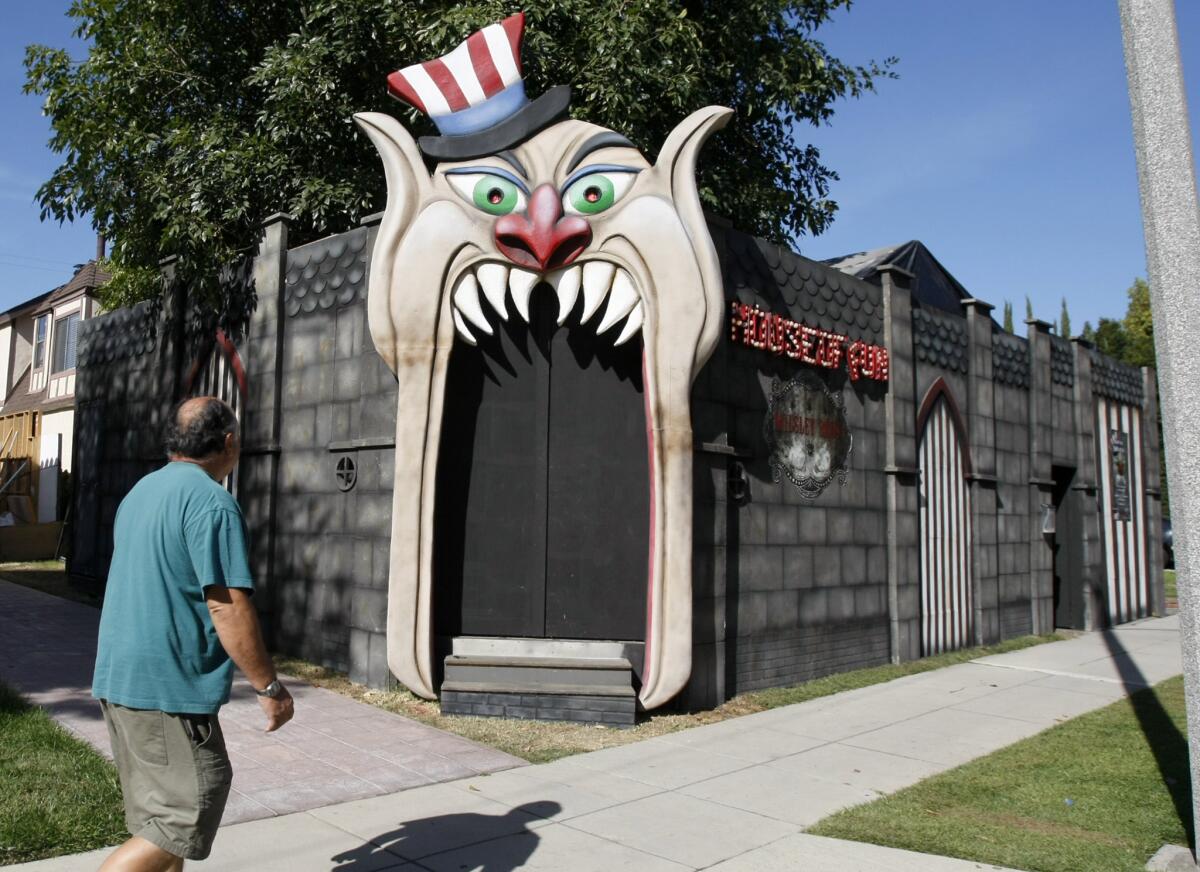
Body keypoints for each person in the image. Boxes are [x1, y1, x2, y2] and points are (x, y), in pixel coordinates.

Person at [91, 396, 294, 872]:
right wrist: (269, 686)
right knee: (189, 810)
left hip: (120, 680)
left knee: (158, 822)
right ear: (228, 443)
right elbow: (227, 606)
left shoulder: (140, 492)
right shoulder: (211, 502)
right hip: (167, 690)